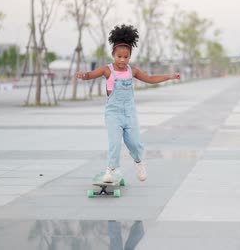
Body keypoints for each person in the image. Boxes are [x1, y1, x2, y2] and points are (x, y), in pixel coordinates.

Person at [75, 24, 180, 183]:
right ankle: (110, 170)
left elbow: (150, 79)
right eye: (119, 57)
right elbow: (91, 74)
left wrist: (169, 76)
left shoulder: (133, 71)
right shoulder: (107, 70)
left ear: (130, 56)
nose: (122, 60)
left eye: (126, 57)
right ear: (113, 55)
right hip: (113, 114)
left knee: (135, 143)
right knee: (115, 143)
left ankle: (139, 163)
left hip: (129, 113)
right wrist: (83, 75)